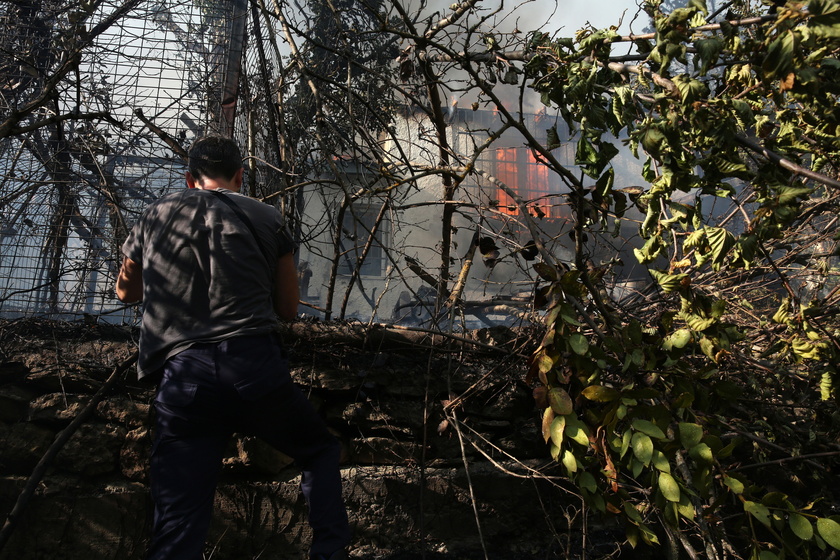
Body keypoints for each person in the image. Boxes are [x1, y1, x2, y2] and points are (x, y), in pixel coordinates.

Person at [115, 135, 350, 560]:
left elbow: (125, 293)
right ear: (240, 176)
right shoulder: (267, 218)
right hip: (253, 368)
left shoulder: (156, 215)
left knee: (179, 517)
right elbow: (288, 309)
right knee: (318, 450)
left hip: (183, 376)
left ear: (189, 179)